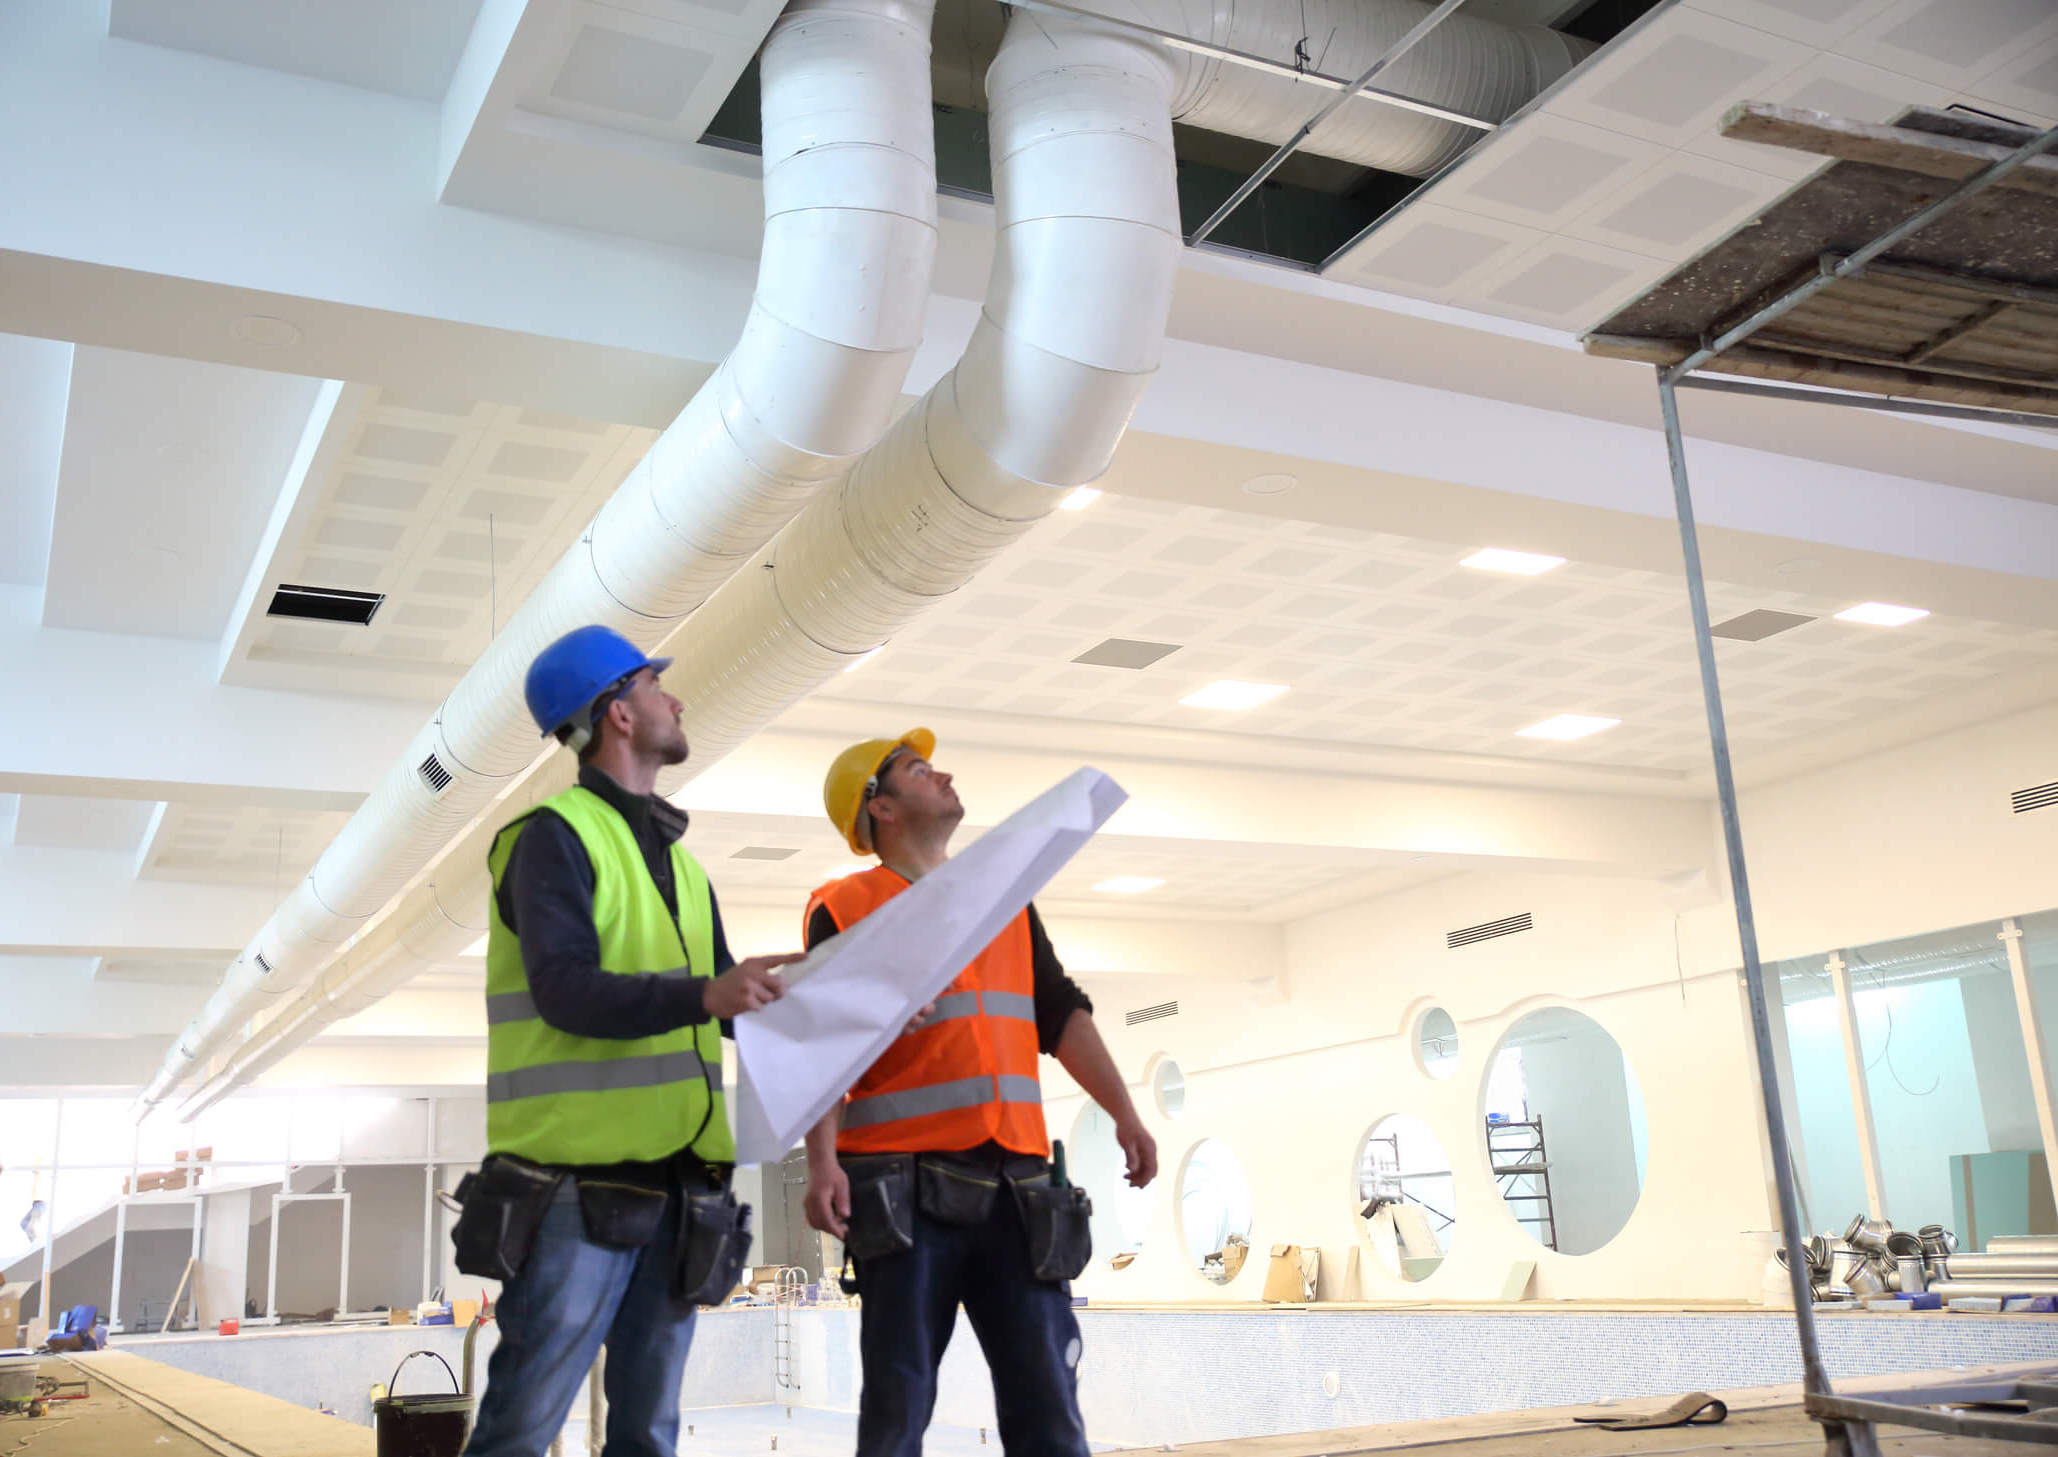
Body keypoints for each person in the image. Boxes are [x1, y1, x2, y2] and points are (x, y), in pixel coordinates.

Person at [458, 625, 800, 1457]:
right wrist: (707, 991)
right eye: (657, 685)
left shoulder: (683, 864)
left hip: (681, 1183)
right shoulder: (549, 837)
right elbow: (564, 990)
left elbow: (725, 1000)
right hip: (577, 1185)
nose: (675, 699)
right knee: (521, 1427)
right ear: (618, 712)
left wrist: (841, 1001)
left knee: (648, 1430)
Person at [801, 729, 1157, 1457]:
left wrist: (1124, 1112)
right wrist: (820, 1163)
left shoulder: (1005, 898)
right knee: (897, 1412)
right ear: (881, 808)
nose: (945, 774)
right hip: (905, 1194)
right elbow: (820, 1046)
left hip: (1018, 1190)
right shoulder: (845, 906)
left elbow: (1059, 1011)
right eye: (919, 769)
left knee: (1050, 1411)